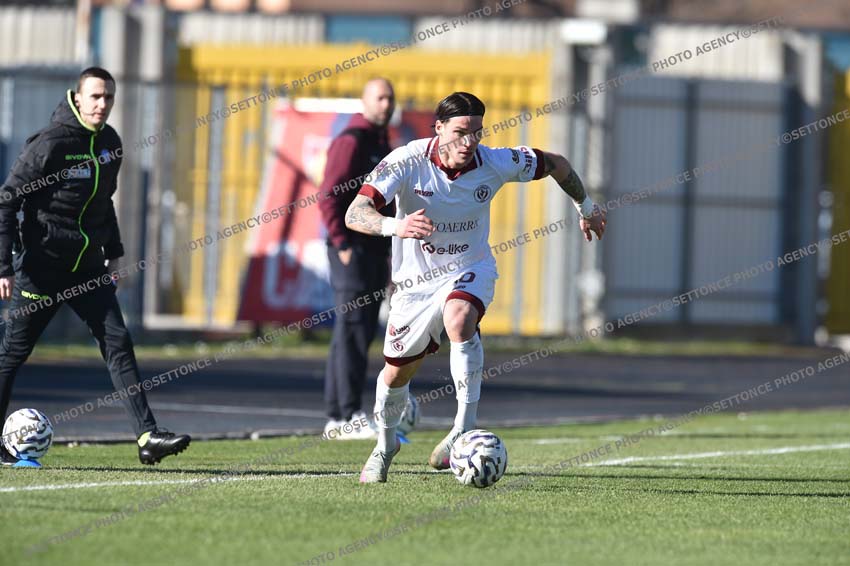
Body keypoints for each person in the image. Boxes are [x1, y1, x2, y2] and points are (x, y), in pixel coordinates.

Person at [345, 92, 606, 482]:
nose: (469, 142)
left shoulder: (494, 162)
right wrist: (396, 226)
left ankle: (463, 429)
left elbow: (556, 164)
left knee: (460, 317)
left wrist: (585, 206)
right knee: (396, 375)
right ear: (438, 128)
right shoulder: (407, 160)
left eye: (477, 132)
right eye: (460, 132)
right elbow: (355, 213)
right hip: (415, 286)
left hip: (470, 268)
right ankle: (385, 446)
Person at [0, 67, 190, 466]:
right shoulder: (50, 143)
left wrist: (114, 251)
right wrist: (5, 265)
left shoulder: (110, 144)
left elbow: (104, 204)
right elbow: (7, 201)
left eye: (109, 97)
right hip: (42, 269)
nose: (102, 104)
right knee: (11, 355)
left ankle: (147, 436)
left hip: (87, 269)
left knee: (118, 341)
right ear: (78, 97)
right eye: (96, 96)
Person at [318, 78, 398, 440]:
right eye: (380, 98)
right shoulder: (351, 140)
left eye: (390, 98)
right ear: (365, 102)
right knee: (351, 330)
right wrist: (342, 243)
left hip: (375, 251)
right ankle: (343, 416)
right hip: (352, 250)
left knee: (361, 332)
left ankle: (343, 414)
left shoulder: (381, 142)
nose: (386, 104)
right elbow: (328, 195)